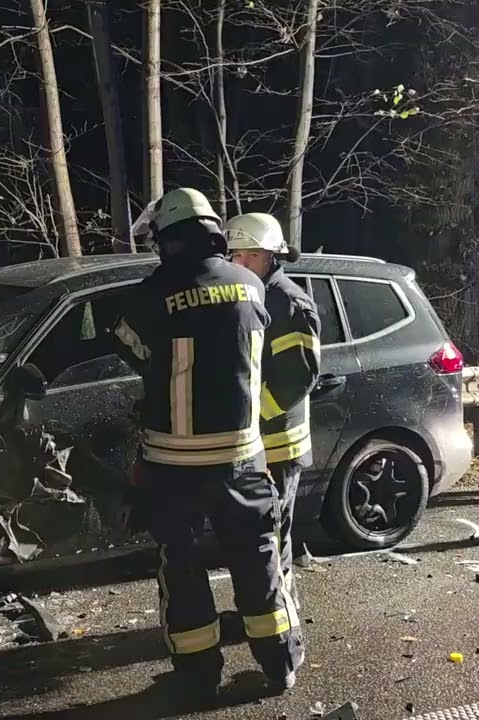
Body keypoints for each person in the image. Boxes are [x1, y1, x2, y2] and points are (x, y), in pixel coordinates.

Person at [111, 188, 304, 702]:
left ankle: (198, 679)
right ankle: (280, 665)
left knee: (184, 571)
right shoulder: (251, 286)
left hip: (174, 469)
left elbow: (132, 348)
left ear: (169, 240)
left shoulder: (150, 294)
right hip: (243, 462)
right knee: (259, 563)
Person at [223, 212, 322, 602]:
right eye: (235, 256)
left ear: (271, 257)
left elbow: (297, 376)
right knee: (256, 535)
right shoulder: (250, 294)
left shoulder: (288, 302)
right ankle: (266, 611)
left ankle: (281, 616)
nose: (240, 264)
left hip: (278, 443)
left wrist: (253, 417)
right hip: (253, 441)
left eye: (249, 257)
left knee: (273, 531)